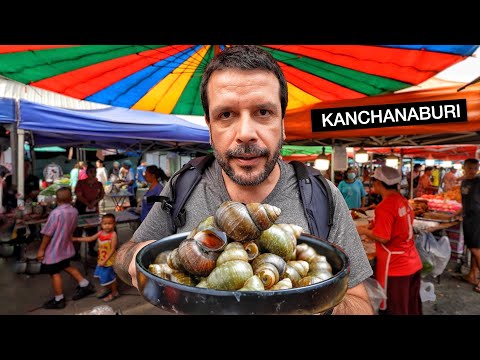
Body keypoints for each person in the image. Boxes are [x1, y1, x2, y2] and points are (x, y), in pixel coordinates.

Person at [114, 45, 373, 315]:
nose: (246, 133)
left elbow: (362, 304)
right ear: (210, 128)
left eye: (263, 112)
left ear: (282, 123)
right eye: (226, 115)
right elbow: (124, 257)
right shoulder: (183, 186)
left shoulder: (322, 196)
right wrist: (134, 257)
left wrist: (315, 302)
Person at [356, 166, 423, 315]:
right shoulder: (403, 201)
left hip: (395, 266)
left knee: (395, 308)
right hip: (412, 261)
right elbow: (399, 226)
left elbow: (383, 238)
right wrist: (374, 226)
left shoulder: (384, 206)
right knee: (410, 305)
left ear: (379, 183)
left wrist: (363, 230)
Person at [36, 187, 95, 309]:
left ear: (56, 199)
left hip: (54, 248)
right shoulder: (74, 211)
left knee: (54, 272)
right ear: (70, 198)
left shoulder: (56, 213)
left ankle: (59, 299)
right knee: (66, 265)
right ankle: (85, 284)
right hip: (65, 245)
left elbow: (48, 233)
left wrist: (41, 249)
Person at [72, 213, 120, 302]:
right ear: (101, 224)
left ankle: (114, 292)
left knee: (111, 277)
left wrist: (104, 261)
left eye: (110, 224)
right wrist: (77, 239)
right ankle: (107, 288)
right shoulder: (101, 233)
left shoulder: (113, 235)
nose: (107, 226)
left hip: (108, 261)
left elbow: (113, 249)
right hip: (101, 260)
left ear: (114, 224)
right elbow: (90, 238)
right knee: (103, 276)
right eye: (105, 224)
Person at [452, 158, 480, 292]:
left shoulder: (479, 181)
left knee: (476, 249)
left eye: (475, 168)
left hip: (477, 218)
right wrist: (455, 213)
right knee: (472, 248)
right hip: (468, 218)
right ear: (464, 168)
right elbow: (465, 202)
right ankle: (472, 276)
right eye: (470, 168)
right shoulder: (464, 182)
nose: (472, 171)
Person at [73, 164, 105, 257]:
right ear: (87, 173)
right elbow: (79, 195)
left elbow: (102, 195)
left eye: (94, 172)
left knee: (93, 230)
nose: (93, 174)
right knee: (78, 230)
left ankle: (91, 249)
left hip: (94, 208)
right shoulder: (81, 183)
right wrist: (88, 204)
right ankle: (76, 252)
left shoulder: (98, 184)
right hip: (81, 207)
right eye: (91, 172)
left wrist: (94, 202)